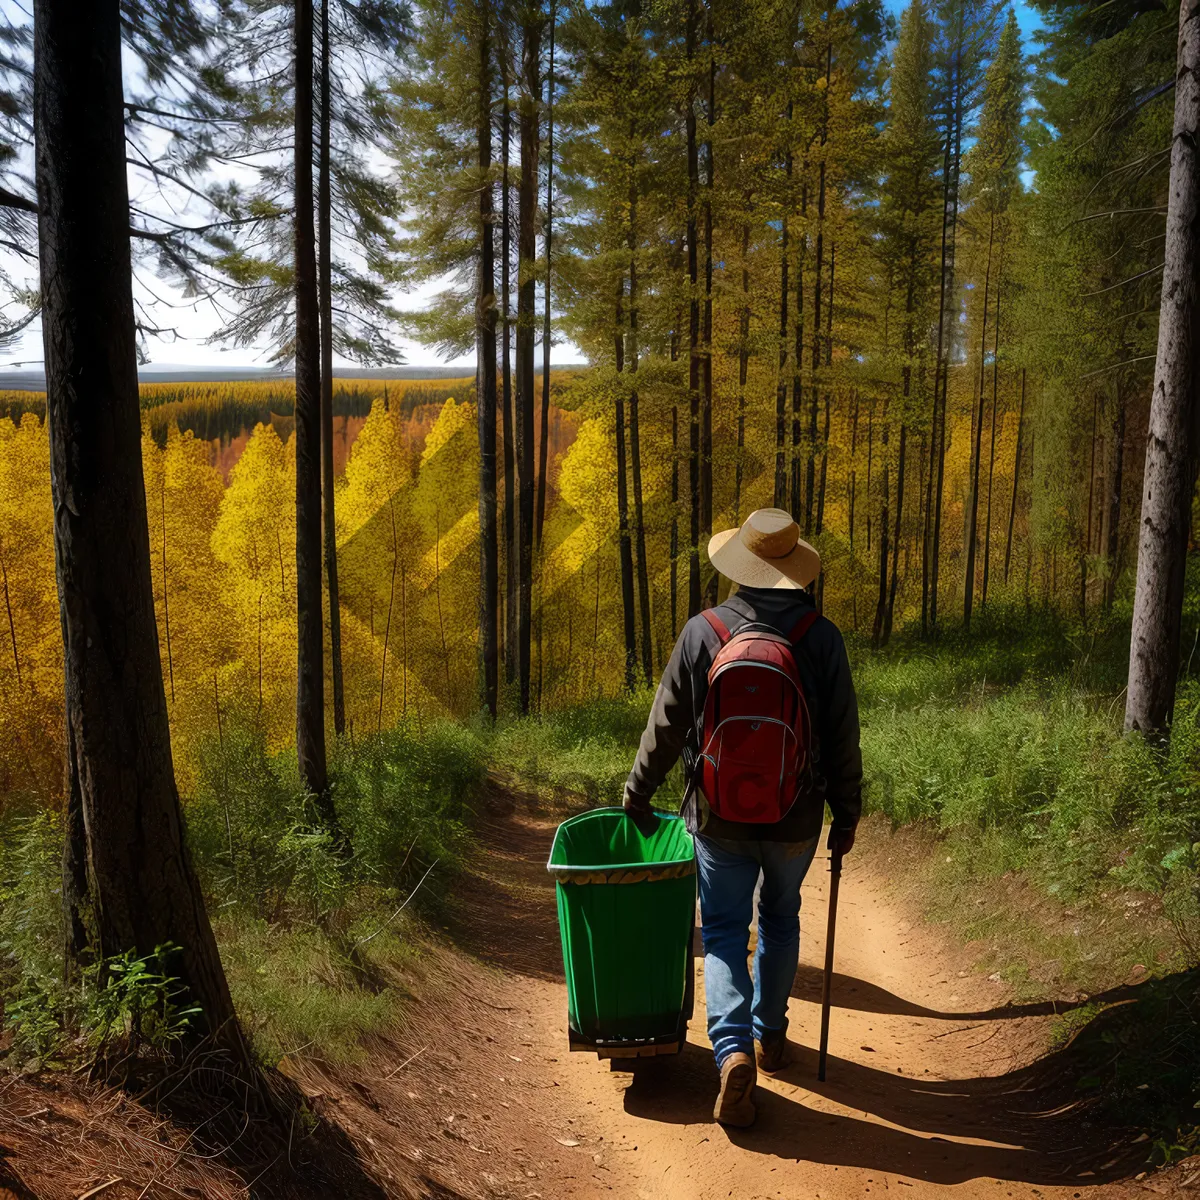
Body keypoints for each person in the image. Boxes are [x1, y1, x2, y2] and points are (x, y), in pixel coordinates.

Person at [623, 507, 862, 1128]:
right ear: (793, 568)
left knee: (725, 930)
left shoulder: (703, 631)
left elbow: (667, 724)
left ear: (739, 565)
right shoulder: (821, 636)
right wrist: (848, 812)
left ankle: (730, 1051)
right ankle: (771, 1035)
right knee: (780, 918)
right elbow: (841, 737)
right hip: (796, 815)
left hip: (718, 814)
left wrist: (638, 792)